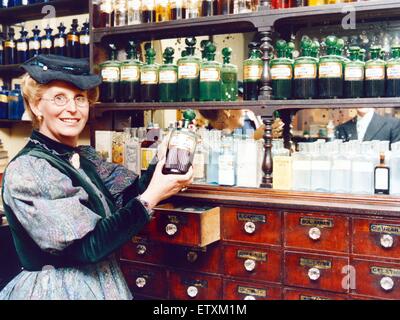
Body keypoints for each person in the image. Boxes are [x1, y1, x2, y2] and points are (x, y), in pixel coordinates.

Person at [0, 54, 193, 300]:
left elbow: (131, 195)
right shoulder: (30, 170)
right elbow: (89, 247)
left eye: (79, 98)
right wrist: (153, 195)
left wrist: (164, 159)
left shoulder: (85, 159)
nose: (72, 109)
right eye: (59, 98)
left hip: (104, 283)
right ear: (37, 105)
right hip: (57, 291)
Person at [335, 107, 400, 143]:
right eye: (359, 97)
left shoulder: (392, 125)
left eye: (366, 96)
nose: (363, 101)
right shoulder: (342, 128)